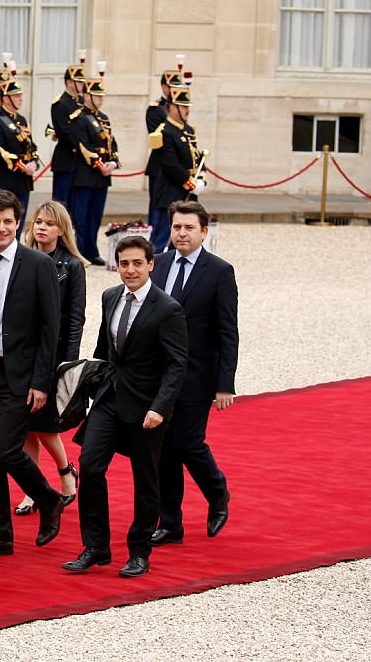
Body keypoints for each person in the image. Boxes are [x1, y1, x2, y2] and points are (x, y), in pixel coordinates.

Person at [62, 236, 187, 578]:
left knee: (145, 479)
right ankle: (96, 545)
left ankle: (139, 551)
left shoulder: (167, 309)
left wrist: (161, 407)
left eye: (136, 263)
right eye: (123, 263)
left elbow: (177, 364)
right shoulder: (110, 297)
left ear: (150, 265)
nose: (129, 270)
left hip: (147, 407)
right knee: (90, 465)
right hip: (109, 399)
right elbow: (105, 349)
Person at [0, 189, 63, 557]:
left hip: (20, 375)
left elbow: (48, 328)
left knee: (7, 450)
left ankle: (48, 498)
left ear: (17, 223)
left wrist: (42, 381)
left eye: (8, 221)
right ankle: (0, 532)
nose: (2, 228)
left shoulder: (38, 265)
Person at [150, 200, 237, 545]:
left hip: (198, 375)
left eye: (189, 228)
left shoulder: (219, 271)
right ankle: (170, 522)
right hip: (158, 375)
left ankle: (217, 492)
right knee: (163, 450)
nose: (181, 233)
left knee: (188, 443)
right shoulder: (159, 264)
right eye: (176, 227)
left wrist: (224, 384)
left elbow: (227, 332)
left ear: (204, 231)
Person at [13, 201, 86, 516]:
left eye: (49, 223)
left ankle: (66, 471)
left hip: (53, 355)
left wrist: (67, 364)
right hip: (21, 354)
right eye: (38, 222)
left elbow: (75, 319)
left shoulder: (72, 265)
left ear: (61, 229)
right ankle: (35, 490)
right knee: (27, 426)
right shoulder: (20, 259)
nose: (42, 228)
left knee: (42, 422)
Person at [69, 73, 118, 265]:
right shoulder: (79, 118)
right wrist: (100, 165)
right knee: (80, 217)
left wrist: (113, 162)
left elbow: (113, 144)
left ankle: (92, 249)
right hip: (85, 174)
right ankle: (79, 251)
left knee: (95, 215)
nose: (100, 100)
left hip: (101, 176)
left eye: (101, 96)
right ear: (87, 95)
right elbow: (83, 146)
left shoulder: (104, 118)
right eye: (97, 96)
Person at [150, 78, 203, 253]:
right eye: (183, 106)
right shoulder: (165, 131)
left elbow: (196, 158)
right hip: (169, 193)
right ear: (173, 107)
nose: (187, 110)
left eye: (188, 106)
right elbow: (170, 164)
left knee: (183, 241)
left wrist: (202, 178)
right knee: (162, 239)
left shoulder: (187, 130)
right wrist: (191, 183)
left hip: (187, 194)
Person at [0, 79, 39, 222]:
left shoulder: (22, 119)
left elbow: (31, 147)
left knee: (19, 221)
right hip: (5, 180)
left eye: (20, 95)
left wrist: (34, 163)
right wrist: (23, 167)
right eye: (16, 96)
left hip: (23, 181)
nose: (20, 99)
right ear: (6, 99)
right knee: (4, 221)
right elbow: (0, 152)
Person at [48, 60, 86, 206]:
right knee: (61, 203)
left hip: (81, 162)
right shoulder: (60, 103)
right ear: (70, 83)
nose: (83, 85)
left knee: (77, 204)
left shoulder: (83, 101)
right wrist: (84, 144)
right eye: (79, 82)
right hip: (66, 159)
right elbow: (64, 132)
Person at [145, 70, 175, 242]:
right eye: (172, 87)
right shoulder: (155, 109)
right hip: (159, 166)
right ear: (164, 87)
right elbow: (155, 138)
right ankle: (154, 244)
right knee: (157, 208)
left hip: (174, 166)